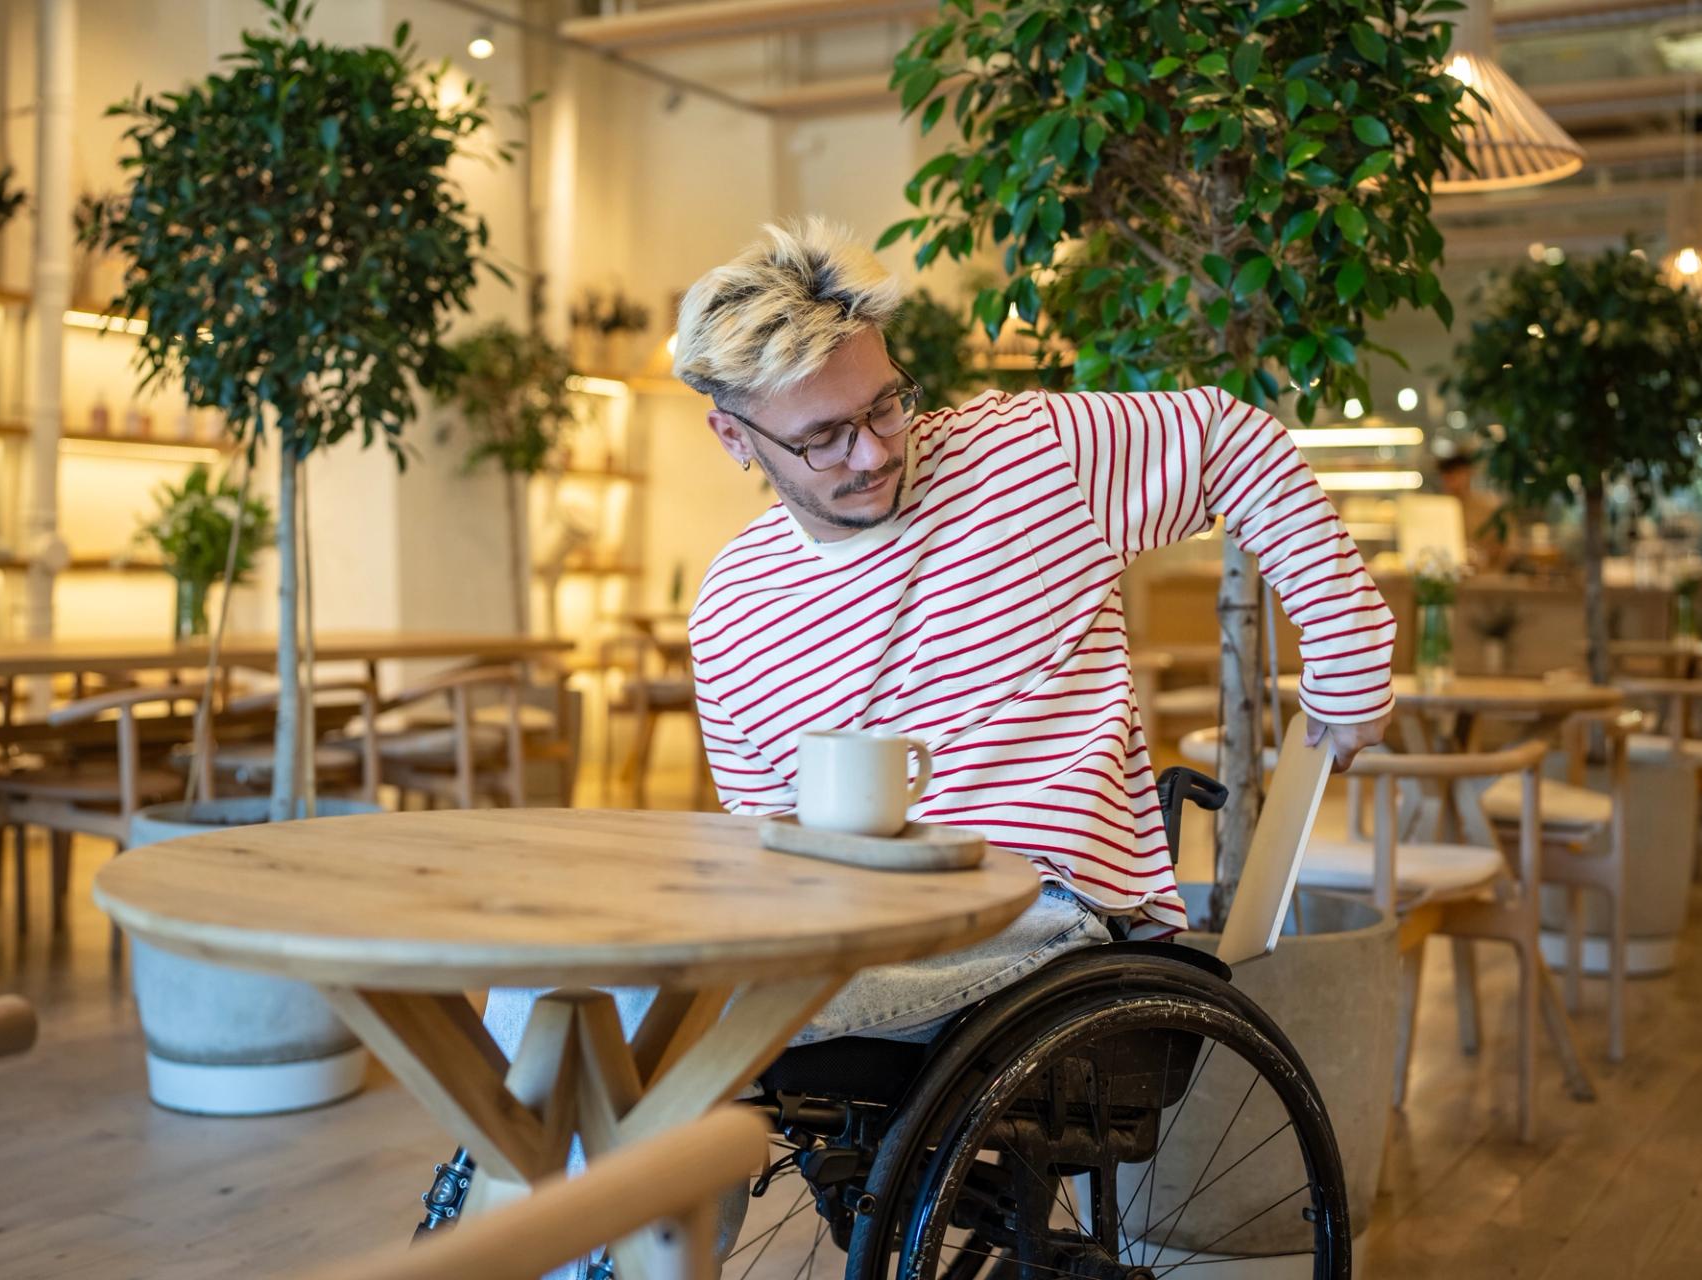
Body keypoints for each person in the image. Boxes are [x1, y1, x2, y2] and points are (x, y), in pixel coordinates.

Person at [471, 220, 1395, 1277]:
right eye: (822, 436)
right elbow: (761, 842)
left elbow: (1237, 439)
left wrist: (1350, 649)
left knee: (634, 1008)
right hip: (856, 932)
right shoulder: (734, 603)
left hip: (1043, 917)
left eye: (883, 404)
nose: (873, 450)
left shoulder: (1023, 459)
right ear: (737, 440)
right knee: (542, 984)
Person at [1438, 452, 1506, 572]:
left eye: (1457, 473)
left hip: (1486, 578)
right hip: (1446, 576)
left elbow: (1506, 546)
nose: (1453, 480)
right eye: (1448, 475)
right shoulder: (1436, 510)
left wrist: (1483, 556)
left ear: (1469, 473)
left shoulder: (1490, 509)